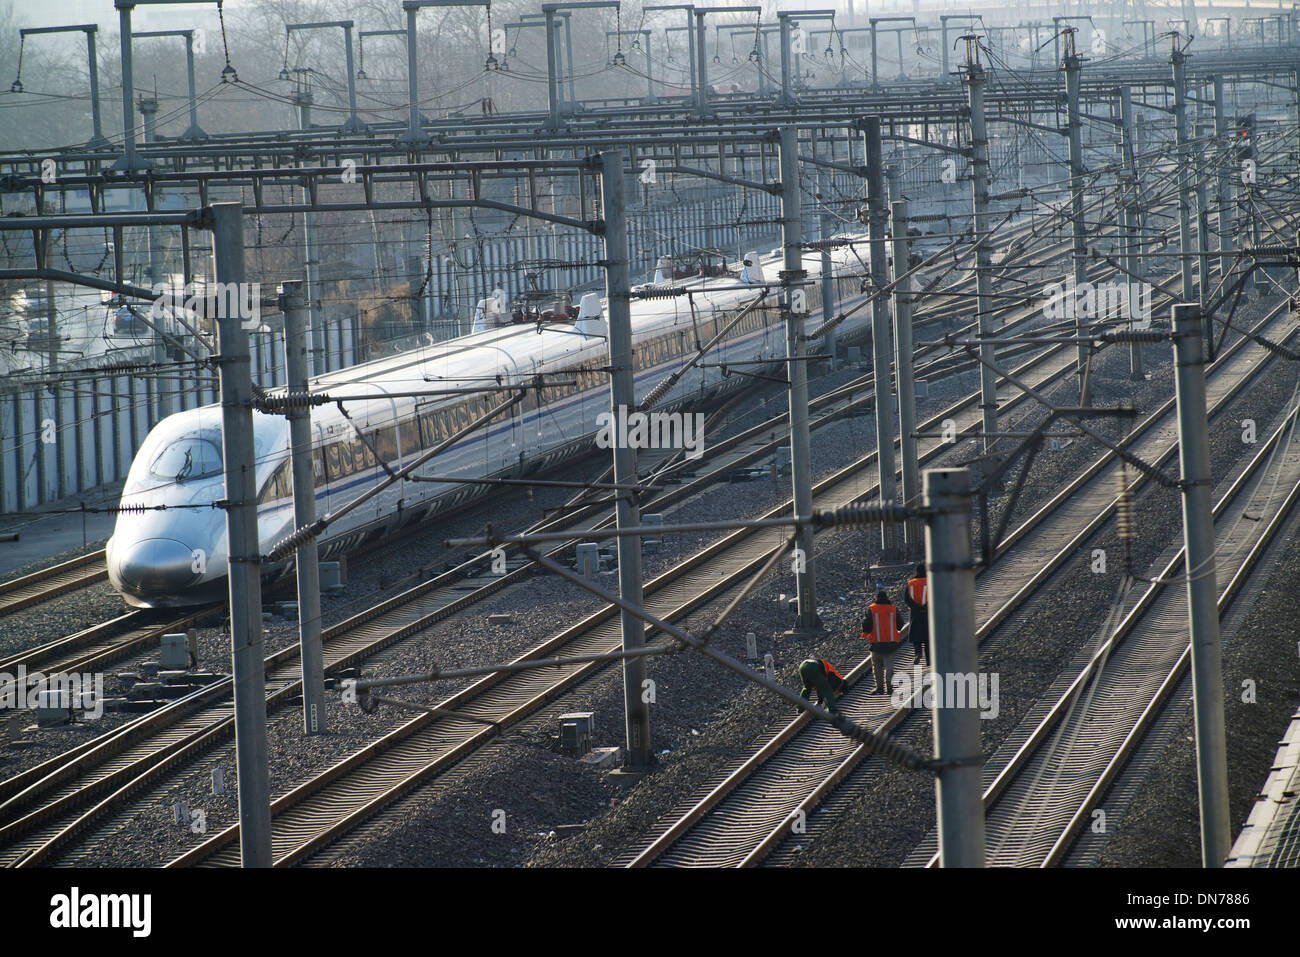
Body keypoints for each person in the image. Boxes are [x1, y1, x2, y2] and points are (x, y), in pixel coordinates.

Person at [862, 589, 901, 694]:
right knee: (889, 666)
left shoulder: (871, 609)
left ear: (876, 599)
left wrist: (866, 633)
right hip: (890, 643)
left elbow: (866, 625)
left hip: (876, 643)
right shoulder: (893, 609)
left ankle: (879, 688)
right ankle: (890, 688)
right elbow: (900, 625)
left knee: (877, 667)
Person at [904, 563, 929, 667]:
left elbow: (907, 599)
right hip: (929, 613)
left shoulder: (911, 583)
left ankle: (918, 653)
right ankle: (930, 660)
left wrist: (916, 607)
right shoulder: (931, 581)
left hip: (915, 613)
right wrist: (925, 606)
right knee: (929, 638)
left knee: (916, 636)